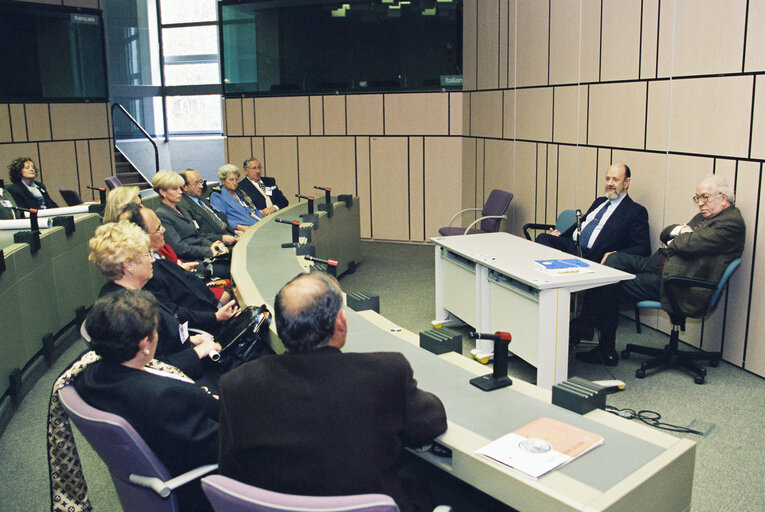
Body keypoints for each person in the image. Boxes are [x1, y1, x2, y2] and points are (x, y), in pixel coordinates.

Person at [218, 272, 447, 512]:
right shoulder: (386, 372)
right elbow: (431, 423)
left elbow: (231, 473)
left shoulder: (236, 385)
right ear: (341, 323)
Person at [572, 175, 746, 366]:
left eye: (705, 197)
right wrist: (681, 232)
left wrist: (681, 236)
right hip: (663, 264)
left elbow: (689, 244)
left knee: (610, 284)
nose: (700, 204)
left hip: (680, 283)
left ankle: (604, 350)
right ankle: (586, 321)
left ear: (723, 198)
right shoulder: (705, 216)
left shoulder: (731, 224)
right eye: (697, 198)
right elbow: (667, 233)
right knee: (614, 258)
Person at [74, 289, 218, 512]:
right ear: (145, 344)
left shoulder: (87, 377)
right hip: (200, 487)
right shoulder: (165, 399)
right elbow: (220, 446)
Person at [88, 220, 221, 379]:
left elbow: (164, 338)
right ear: (129, 265)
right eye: (147, 254)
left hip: (186, 354)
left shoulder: (128, 294)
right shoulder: (126, 313)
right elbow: (150, 368)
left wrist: (193, 339)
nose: (152, 260)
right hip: (184, 379)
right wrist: (199, 351)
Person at [119, 203, 239, 333]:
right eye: (158, 228)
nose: (164, 230)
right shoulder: (145, 272)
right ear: (142, 236)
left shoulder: (157, 257)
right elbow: (173, 312)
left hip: (211, 309)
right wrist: (215, 316)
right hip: (205, 327)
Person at [535, 162, 650, 264]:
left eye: (615, 179)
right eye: (607, 179)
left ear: (626, 182)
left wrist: (616, 254)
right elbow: (582, 225)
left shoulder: (635, 211)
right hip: (572, 246)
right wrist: (561, 235)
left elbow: (644, 248)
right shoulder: (599, 201)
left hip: (593, 255)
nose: (609, 183)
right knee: (543, 238)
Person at [152, 170, 230, 262]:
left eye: (180, 188)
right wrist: (209, 251)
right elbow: (179, 248)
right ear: (162, 192)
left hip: (203, 252)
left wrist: (215, 246)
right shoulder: (162, 215)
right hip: (192, 261)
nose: (180, 192)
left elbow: (197, 235)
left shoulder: (181, 209)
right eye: (175, 189)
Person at [177, 168, 240, 245]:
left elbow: (219, 218)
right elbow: (196, 234)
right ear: (185, 187)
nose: (201, 186)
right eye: (196, 183)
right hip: (216, 243)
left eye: (201, 182)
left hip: (229, 234)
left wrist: (235, 232)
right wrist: (222, 238)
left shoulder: (200, 198)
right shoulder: (182, 206)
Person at [209, 164, 263, 231]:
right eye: (231, 180)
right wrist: (239, 227)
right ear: (222, 181)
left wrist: (264, 221)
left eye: (236, 180)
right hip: (242, 230)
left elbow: (254, 209)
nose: (235, 183)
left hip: (258, 225)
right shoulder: (217, 195)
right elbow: (220, 219)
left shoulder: (240, 192)